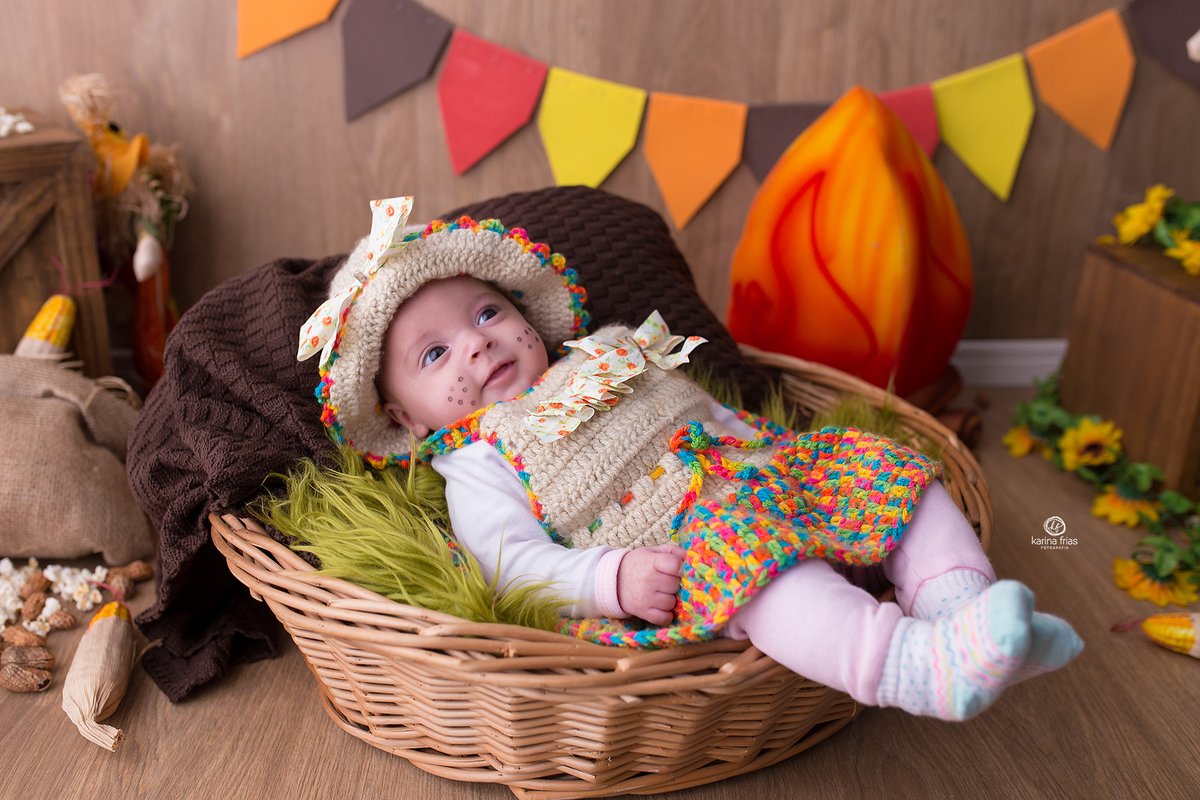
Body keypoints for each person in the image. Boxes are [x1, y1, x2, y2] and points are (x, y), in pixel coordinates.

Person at [298, 198, 1082, 722]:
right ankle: (909, 666)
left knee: (896, 473)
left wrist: (770, 447)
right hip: (687, 542)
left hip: (760, 469)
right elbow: (511, 565)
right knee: (772, 580)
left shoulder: (605, 351)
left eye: (487, 313)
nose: (476, 342)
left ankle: (963, 612)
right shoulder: (476, 458)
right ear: (403, 416)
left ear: (524, 313)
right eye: (436, 353)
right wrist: (609, 582)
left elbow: (694, 408)